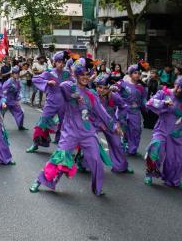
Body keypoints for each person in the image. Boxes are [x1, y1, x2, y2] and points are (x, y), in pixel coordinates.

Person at [29, 58, 118, 195]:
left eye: (87, 75)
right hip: (70, 131)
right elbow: (64, 88)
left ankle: (97, 188)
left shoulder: (92, 94)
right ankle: (40, 180)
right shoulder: (68, 86)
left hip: (87, 132)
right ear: (76, 76)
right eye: (82, 74)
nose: (85, 78)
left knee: (96, 160)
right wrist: (75, 95)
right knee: (60, 158)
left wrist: (114, 126)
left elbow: (102, 112)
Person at [144, 75, 182, 189]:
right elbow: (149, 103)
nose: (181, 93)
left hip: (179, 131)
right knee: (156, 148)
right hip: (162, 128)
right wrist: (164, 103)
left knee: (178, 156)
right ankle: (150, 173)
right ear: (177, 85)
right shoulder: (164, 93)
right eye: (180, 89)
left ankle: (173, 179)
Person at [27, 51, 71, 152]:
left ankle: (63, 147)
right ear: (55, 62)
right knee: (43, 121)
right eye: (59, 62)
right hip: (51, 101)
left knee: (64, 124)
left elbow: (74, 85)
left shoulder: (67, 74)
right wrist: (47, 82)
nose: (61, 64)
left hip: (64, 102)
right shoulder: (49, 73)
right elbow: (35, 79)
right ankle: (35, 144)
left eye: (63, 62)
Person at [94, 75, 132, 174]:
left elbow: (123, 106)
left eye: (105, 88)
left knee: (117, 143)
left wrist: (119, 121)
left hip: (110, 122)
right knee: (90, 141)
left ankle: (120, 166)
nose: (102, 90)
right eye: (100, 87)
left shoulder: (113, 96)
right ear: (96, 86)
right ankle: (86, 164)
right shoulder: (92, 95)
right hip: (95, 121)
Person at [117, 61, 148, 155]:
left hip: (135, 112)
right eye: (135, 73)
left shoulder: (141, 87)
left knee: (136, 130)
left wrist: (149, 106)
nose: (137, 75)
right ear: (130, 74)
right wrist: (113, 89)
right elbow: (114, 90)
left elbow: (144, 101)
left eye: (139, 73)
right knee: (124, 129)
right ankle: (124, 143)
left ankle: (132, 148)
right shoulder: (122, 83)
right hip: (124, 111)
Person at [1, 65, 26, 130]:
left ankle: (20, 126)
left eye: (18, 73)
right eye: (15, 73)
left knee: (20, 112)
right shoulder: (8, 82)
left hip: (13, 101)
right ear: (12, 74)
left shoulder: (17, 82)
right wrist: (3, 101)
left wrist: (17, 100)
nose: (17, 75)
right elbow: (3, 91)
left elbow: (18, 91)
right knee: (1, 114)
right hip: (6, 100)